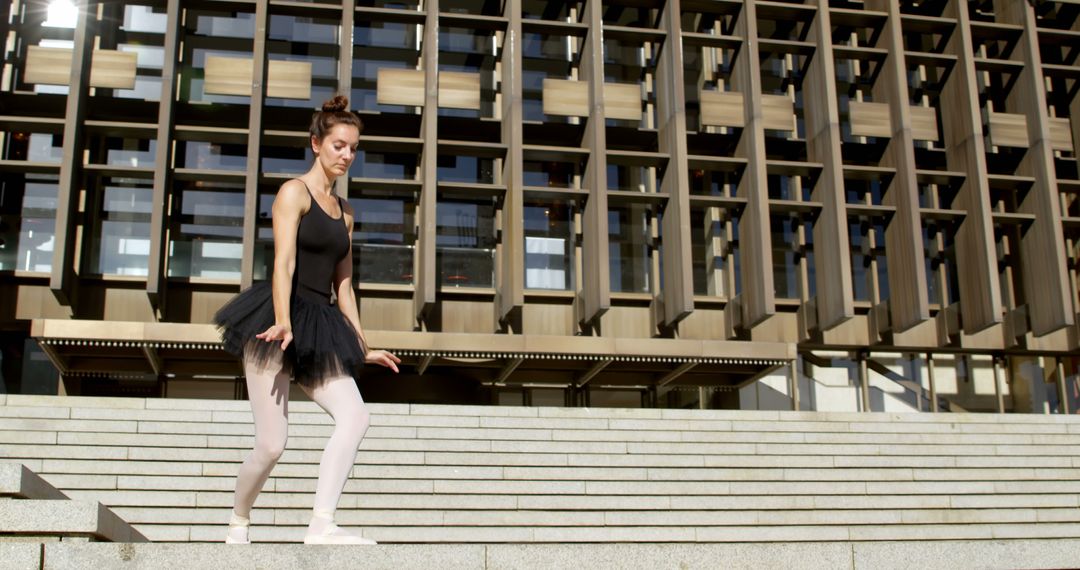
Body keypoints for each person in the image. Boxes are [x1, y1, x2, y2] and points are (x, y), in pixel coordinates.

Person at [214, 95, 400, 545]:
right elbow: (283, 264)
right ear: (316, 143)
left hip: (321, 326)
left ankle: (322, 524)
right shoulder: (293, 192)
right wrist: (283, 321)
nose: (347, 155)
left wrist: (363, 345)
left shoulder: (347, 215)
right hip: (275, 322)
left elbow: (345, 288)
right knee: (272, 444)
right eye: (338, 145)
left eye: (353, 148)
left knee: (355, 417)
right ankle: (239, 520)